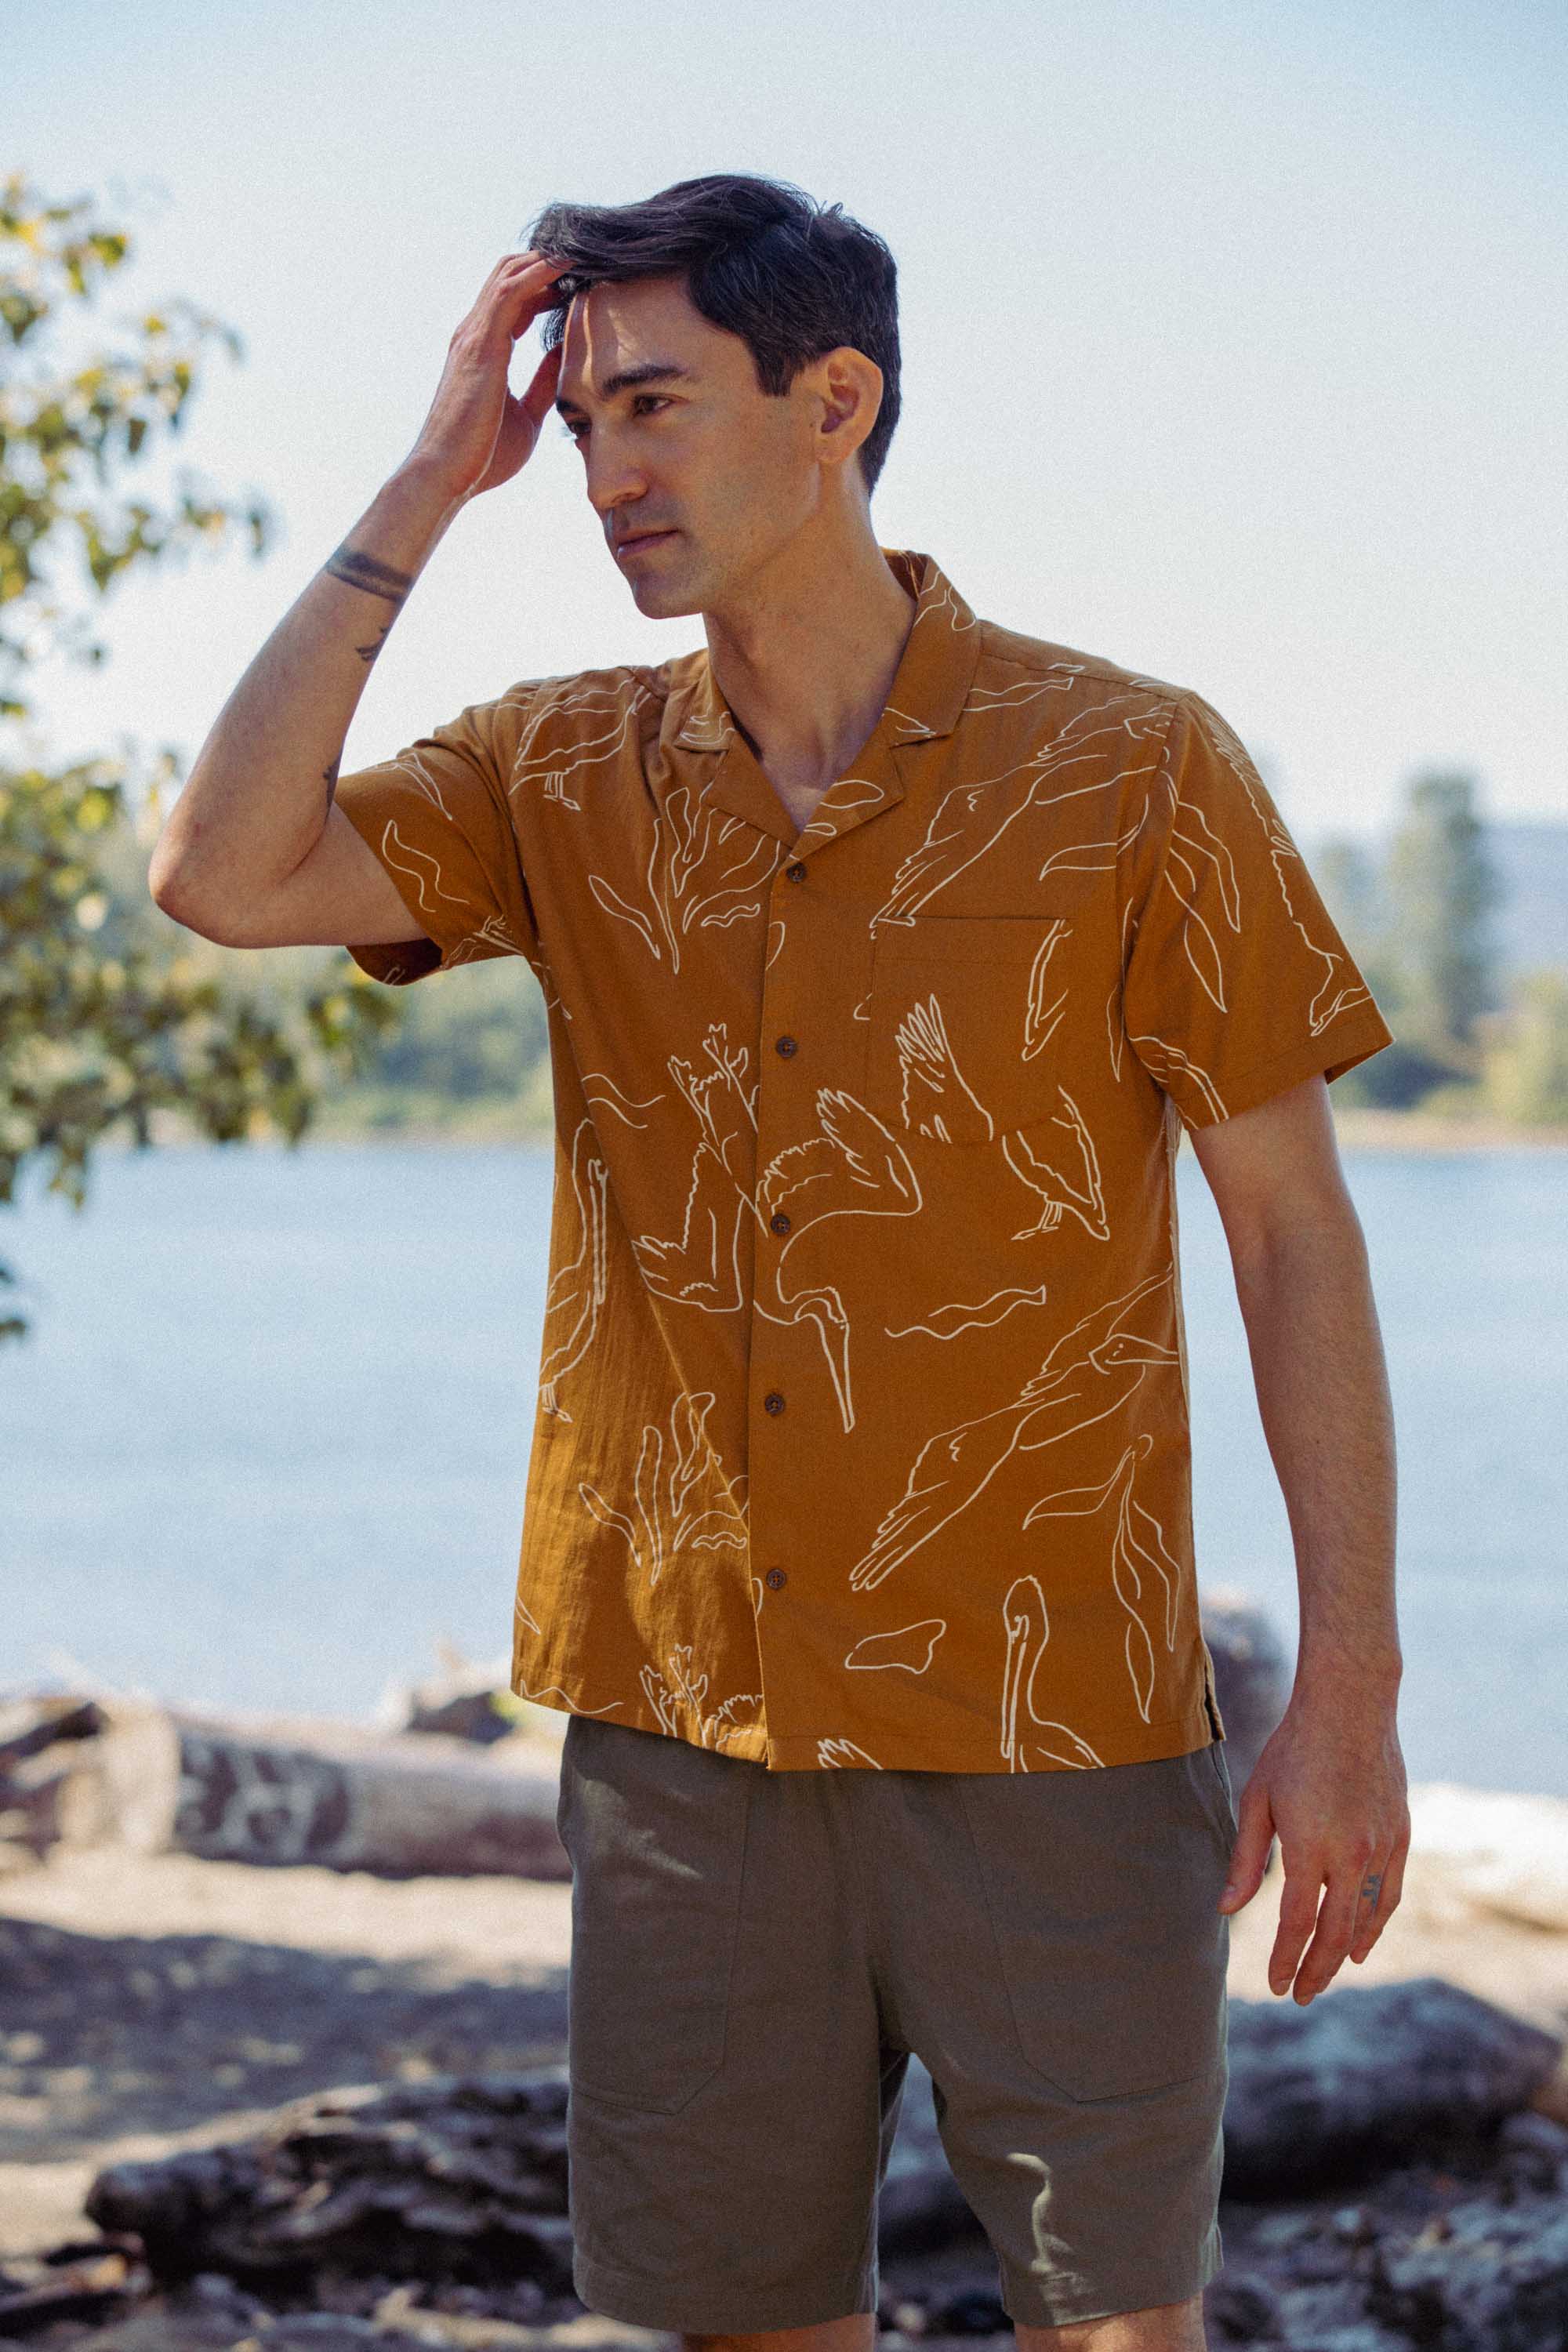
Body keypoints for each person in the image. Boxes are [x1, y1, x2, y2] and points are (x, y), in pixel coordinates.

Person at [149, 172, 1410, 2352]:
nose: (608, 476)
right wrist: (424, 482)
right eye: (578, 432)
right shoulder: (559, 766)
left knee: (1123, 2330)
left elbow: (1292, 1235)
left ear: (837, 400)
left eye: (654, 407)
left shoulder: (1135, 768)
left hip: (1060, 1735)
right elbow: (222, 868)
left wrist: (1355, 1696)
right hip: (685, 1735)